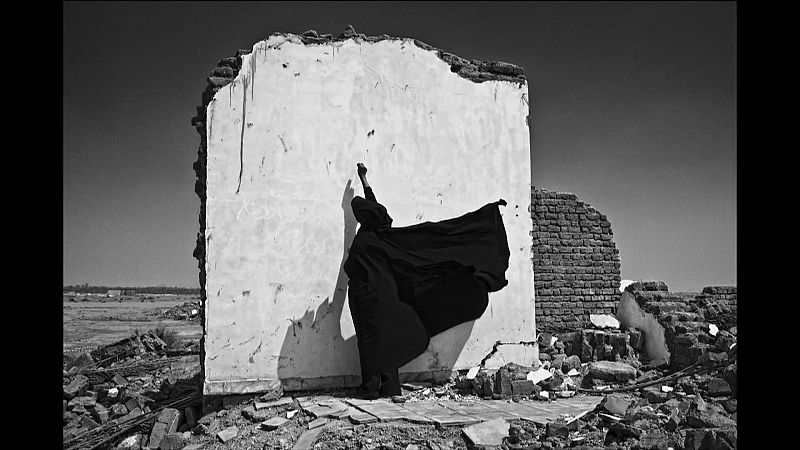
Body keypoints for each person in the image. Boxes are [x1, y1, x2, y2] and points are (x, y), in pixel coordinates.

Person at [344, 163, 511, 399]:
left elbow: (351, 267)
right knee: (387, 340)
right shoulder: (383, 234)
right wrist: (364, 180)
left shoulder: (365, 240)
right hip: (387, 296)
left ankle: (371, 388)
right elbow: (373, 204)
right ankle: (390, 386)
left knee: (370, 341)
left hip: (368, 298)